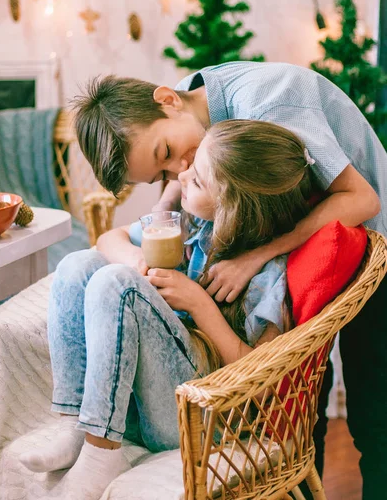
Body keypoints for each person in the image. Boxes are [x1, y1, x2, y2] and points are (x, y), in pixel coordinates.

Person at [72, 61, 387, 500]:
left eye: (168, 156)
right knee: (307, 395)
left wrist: (254, 258)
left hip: (369, 235)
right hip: (276, 239)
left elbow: (361, 197)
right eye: (162, 174)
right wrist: (158, 232)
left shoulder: (272, 101)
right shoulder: (184, 110)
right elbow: (177, 186)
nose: (178, 173)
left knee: (375, 416)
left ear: (168, 100)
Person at [20, 120, 319, 500]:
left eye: (196, 181)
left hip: (197, 419)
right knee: (78, 265)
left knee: (116, 284)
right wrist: (133, 257)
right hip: (141, 401)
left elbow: (264, 379)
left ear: (232, 208)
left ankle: (100, 456)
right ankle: (74, 425)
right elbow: (108, 239)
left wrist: (199, 303)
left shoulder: (265, 276)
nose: (183, 173)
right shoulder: (193, 227)